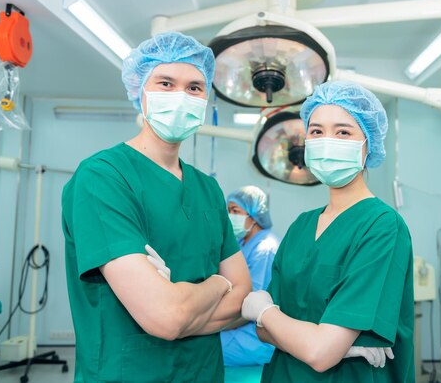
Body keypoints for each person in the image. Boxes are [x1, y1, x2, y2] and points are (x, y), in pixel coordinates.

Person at [62, 32, 251, 383]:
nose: (181, 96)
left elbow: (243, 296)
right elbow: (166, 317)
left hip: (205, 373)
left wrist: (181, 308)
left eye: (194, 87)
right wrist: (218, 283)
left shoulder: (207, 188)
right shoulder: (103, 177)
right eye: (166, 83)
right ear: (140, 91)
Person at [241, 80, 415, 382]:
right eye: (317, 131)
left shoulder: (382, 226)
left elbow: (319, 353)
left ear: (368, 143)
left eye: (343, 132)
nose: (326, 140)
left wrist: (268, 313)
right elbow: (262, 333)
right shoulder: (301, 226)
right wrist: (320, 341)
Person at [221, 186, 279, 368]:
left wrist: (213, 325)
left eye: (235, 211)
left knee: (203, 348)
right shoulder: (241, 242)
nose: (230, 216)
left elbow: (250, 306)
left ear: (254, 214)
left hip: (254, 336)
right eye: (228, 211)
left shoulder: (265, 249)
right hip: (236, 323)